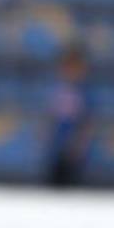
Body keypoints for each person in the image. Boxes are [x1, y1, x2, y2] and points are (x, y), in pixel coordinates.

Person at [42, 45, 94, 188]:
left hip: (73, 149)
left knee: (72, 185)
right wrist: (46, 135)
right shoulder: (57, 90)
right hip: (57, 147)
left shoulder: (85, 93)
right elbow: (50, 116)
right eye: (67, 67)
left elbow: (87, 122)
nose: (70, 72)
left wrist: (80, 143)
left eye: (75, 67)